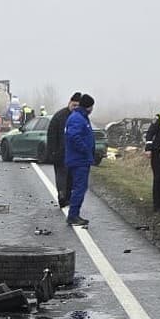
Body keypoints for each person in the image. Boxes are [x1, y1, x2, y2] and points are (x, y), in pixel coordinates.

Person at [65, 93, 96, 226]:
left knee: (80, 187)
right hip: (79, 160)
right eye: (92, 106)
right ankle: (73, 215)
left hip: (81, 159)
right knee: (79, 188)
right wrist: (85, 149)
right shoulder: (78, 118)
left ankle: (74, 214)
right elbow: (74, 136)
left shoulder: (81, 117)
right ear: (88, 106)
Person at [47, 92, 81, 207]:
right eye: (74, 105)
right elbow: (51, 134)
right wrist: (52, 151)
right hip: (60, 152)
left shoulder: (80, 118)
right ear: (69, 103)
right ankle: (62, 195)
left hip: (74, 154)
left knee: (71, 177)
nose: (75, 108)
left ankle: (67, 197)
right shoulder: (59, 116)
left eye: (78, 106)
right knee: (61, 175)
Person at [144, 106, 160, 211]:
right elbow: (150, 133)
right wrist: (148, 148)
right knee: (158, 178)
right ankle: (157, 204)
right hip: (157, 151)